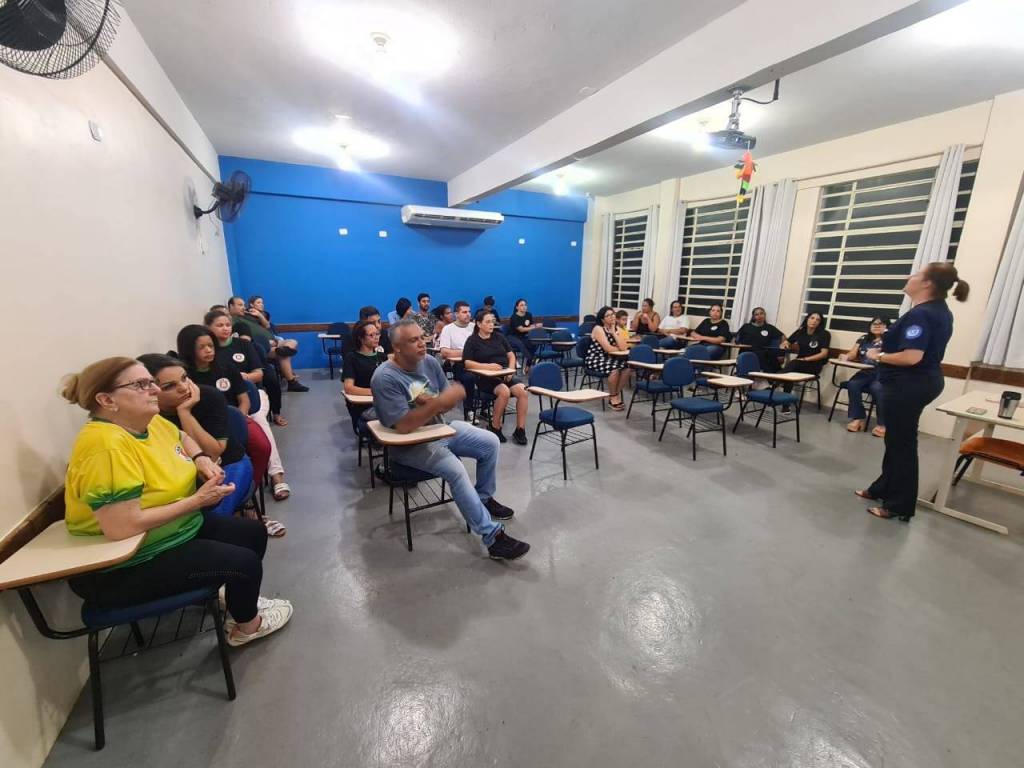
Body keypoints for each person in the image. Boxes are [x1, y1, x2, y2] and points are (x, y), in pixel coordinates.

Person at [61, 357, 292, 647]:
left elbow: (181, 436)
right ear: (107, 400)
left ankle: (235, 601)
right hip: (124, 565)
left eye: (152, 382)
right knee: (243, 563)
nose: (155, 390)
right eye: (141, 385)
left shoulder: (147, 421)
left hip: (172, 532)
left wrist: (201, 459)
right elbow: (122, 527)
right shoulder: (106, 446)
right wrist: (197, 500)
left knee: (253, 532)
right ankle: (246, 628)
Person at [370, 319, 530, 560]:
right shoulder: (384, 377)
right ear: (398, 347)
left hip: (440, 430)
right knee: (455, 469)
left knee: (490, 442)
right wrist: (437, 403)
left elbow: (444, 404)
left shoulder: (430, 363)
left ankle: (483, 499)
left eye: (421, 337)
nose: (422, 343)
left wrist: (443, 401)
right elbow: (403, 426)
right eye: (413, 340)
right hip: (409, 445)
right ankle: (493, 537)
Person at [857, 263, 969, 522]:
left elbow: (911, 357)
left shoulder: (922, 314)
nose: (910, 276)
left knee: (902, 445)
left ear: (927, 283)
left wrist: (877, 355)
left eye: (917, 274)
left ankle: (899, 505)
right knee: (896, 441)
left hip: (908, 385)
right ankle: (882, 488)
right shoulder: (937, 310)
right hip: (919, 382)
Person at [176, 325, 291, 503]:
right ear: (189, 350)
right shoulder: (185, 377)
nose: (208, 350)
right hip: (200, 424)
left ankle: (250, 490)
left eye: (211, 346)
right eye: (202, 347)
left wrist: (240, 418)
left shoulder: (227, 368)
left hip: (234, 417)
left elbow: (244, 400)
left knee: (262, 447)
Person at [207, 309, 286, 427]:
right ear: (208, 328)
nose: (225, 328)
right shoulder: (208, 350)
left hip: (250, 391)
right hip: (221, 396)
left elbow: (259, 374)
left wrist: (243, 377)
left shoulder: (243, 344)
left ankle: (275, 415)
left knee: (258, 422)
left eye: (228, 325)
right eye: (220, 325)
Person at [463, 309, 530, 445]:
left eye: (492, 322)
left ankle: (520, 429)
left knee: (523, 391)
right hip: (485, 377)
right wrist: (488, 367)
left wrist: (511, 371)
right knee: (504, 392)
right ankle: (495, 426)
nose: (491, 325)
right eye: (487, 322)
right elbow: (467, 363)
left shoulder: (499, 337)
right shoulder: (472, 340)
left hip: (504, 374)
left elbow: (511, 355)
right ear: (479, 324)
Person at [227, 297, 308, 392]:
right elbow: (246, 339)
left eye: (244, 305)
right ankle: (291, 381)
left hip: (275, 341)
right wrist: (266, 341)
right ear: (231, 306)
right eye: (240, 305)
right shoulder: (232, 321)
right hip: (264, 346)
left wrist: (259, 315)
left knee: (292, 342)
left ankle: (283, 352)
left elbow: (267, 325)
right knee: (284, 355)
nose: (244, 307)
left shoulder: (247, 316)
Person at [841, 317, 887, 436]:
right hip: (866, 372)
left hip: (883, 373)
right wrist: (846, 357)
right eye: (874, 323)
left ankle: (882, 424)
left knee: (877, 388)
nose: (877, 325)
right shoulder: (863, 338)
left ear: (887, 326)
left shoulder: (890, 339)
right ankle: (858, 418)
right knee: (853, 384)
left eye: (881, 323)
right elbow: (853, 353)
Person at [778, 311, 832, 409]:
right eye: (812, 318)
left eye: (817, 320)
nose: (814, 321)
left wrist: (805, 359)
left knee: (792, 365)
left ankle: (775, 381)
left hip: (814, 365)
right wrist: (785, 344)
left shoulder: (824, 334)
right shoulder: (800, 331)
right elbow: (786, 342)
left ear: (820, 323)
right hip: (799, 363)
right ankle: (785, 405)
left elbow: (824, 354)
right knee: (790, 372)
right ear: (807, 319)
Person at [342, 320, 388, 426]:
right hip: (364, 405)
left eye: (377, 334)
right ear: (361, 338)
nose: (376, 337)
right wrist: (375, 392)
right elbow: (348, 388)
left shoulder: (382, 357)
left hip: (384, 401)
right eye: (371, 335)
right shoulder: (352, 358)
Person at [585, 306, 629, 411]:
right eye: (608, 315)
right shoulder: (598, 329)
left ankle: (615, 394)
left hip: (608, 358)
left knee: (627, 369)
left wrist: (614, 333)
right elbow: (608, 349)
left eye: (613, 314)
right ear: (602, 319)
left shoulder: (616, 329)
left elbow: (624, 347)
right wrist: (617, 348)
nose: (612, 316)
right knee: (615, 370)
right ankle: (613, 397)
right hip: (595, 358)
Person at [438, 300, 477, 419]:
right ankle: (469, 410)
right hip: (459, 364)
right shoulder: (448, 329)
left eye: (469, 312)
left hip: (478, 362)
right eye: (464, 312)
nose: (468, 314)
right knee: (469, 378)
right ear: (456, 314)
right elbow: (444, 352)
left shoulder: (475, 327)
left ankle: (485, 408)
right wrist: (467, 352)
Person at [734, 307, 785, 372]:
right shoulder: (746, 326)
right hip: (747, 352)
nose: (759, 316)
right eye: (757, 314)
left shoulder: (770, 328)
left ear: (764, 315)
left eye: (761, 313)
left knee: (770, 356)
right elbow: (737, 339)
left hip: (764, 352)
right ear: (753, 317)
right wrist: (738, 342)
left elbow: (782, 336)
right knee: (766, 357)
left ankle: (776, 374)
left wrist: (783, 345)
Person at [508, 298, 540, 366]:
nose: (524, 306)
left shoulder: (529, 315)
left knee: (534, 343)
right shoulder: (514, 317)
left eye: (525, 305)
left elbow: (531, 325)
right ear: (517, 307)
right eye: (522, 305)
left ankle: (528, 364)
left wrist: (536, 326)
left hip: (523, 336)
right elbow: (521, 329)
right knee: (520, 344)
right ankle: (532, 358)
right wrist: (534, 327)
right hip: (512, 336)